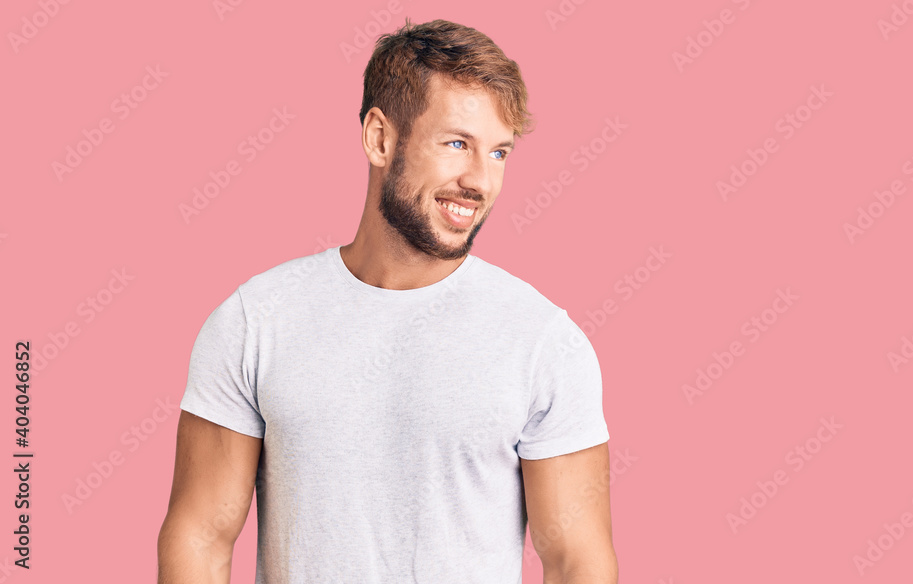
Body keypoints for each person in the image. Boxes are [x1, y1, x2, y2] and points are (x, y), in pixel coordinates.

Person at [157, 18, 617, 584]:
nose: (480, 180)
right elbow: (200, 535)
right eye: (457, 144)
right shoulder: (257, 320)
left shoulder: (543, 342)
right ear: (380, 138)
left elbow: (577, 561)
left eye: (499, 153)